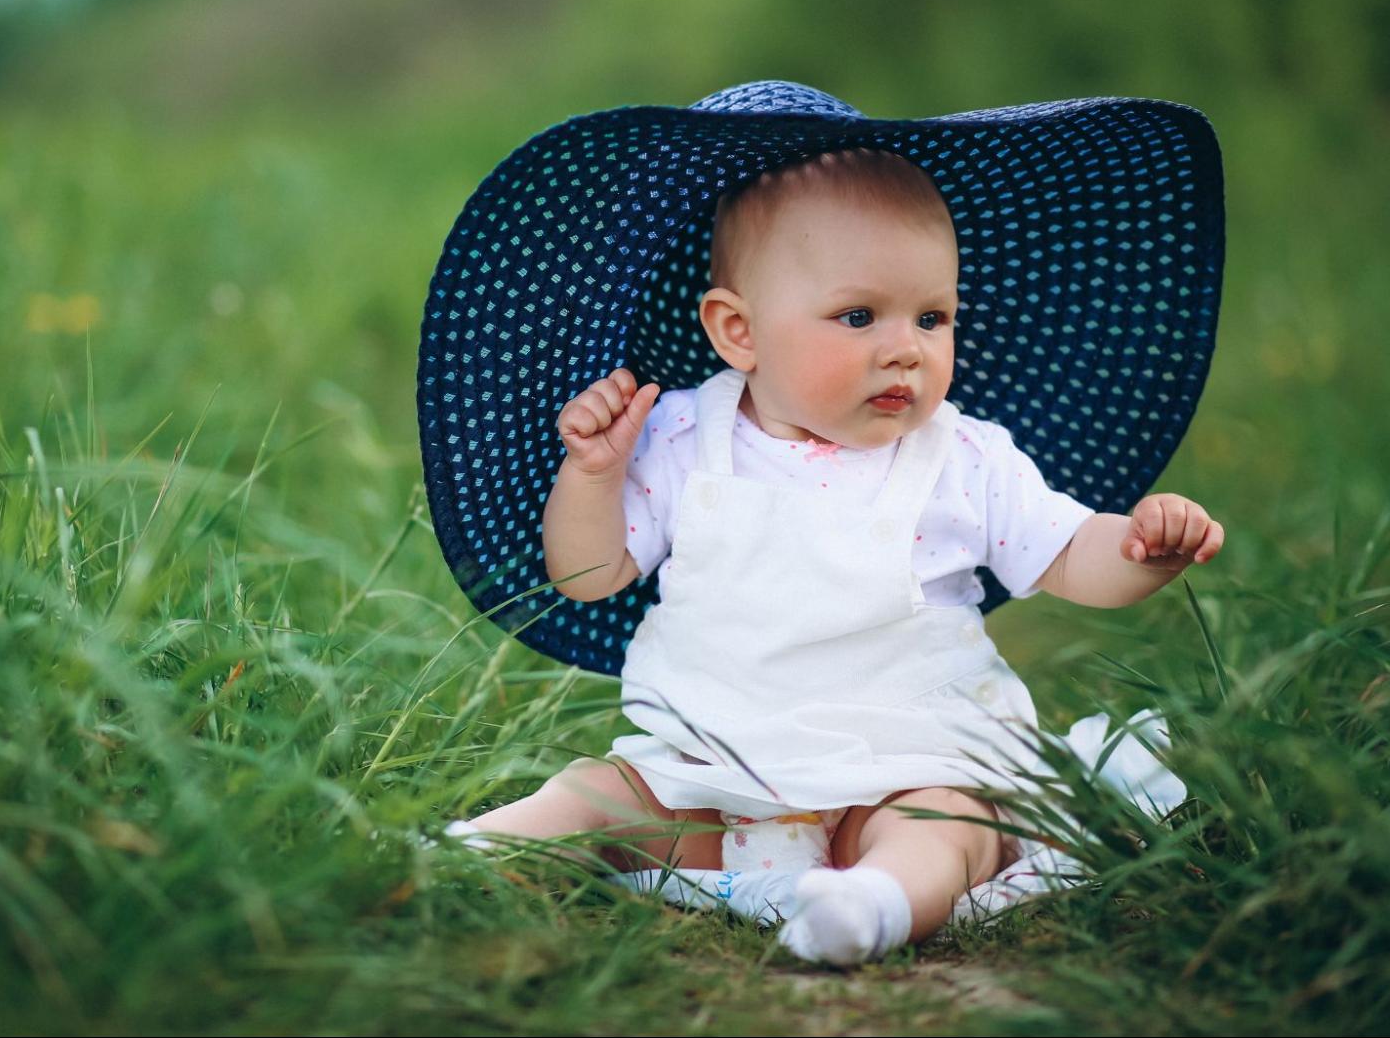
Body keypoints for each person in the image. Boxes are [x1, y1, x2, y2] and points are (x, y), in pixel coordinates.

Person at [437, 145, 1224, 965]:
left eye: (932, 317)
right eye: (859, 317)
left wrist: (1138, 547)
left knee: (948, 825)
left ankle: (874, 899)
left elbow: (1069, 554)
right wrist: (593, 475)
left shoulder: (961, 457)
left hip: (905, 762)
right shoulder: (680, 436)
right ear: (736, 331)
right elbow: (587, 575)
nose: (905, 348)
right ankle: (473, 852)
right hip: (713, 780)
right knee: (595, 795)